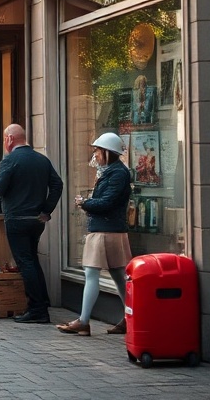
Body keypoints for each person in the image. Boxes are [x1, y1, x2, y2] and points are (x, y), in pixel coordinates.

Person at [0, 123, 64, 324]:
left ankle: (37, 309)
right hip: (36, 221)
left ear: (10, 139)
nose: (5, 142)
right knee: (32, 260)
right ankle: (42, 303)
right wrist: (46, 210)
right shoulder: (42, 160)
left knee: (25, 262)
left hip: (17, 220)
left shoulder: (10, 160)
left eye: (5, 138)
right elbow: (57, 184)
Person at [58, 132, 132, 336]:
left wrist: (85, 203)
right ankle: (130, 317)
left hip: (104, 231)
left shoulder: (116, 173)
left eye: (98, 151)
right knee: (118, 276)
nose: (96, 155)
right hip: (111, 230)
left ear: (107, 152)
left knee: (92, 274)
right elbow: (109, 201)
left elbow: (107, 202)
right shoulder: (115, 172)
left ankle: (83, 321)